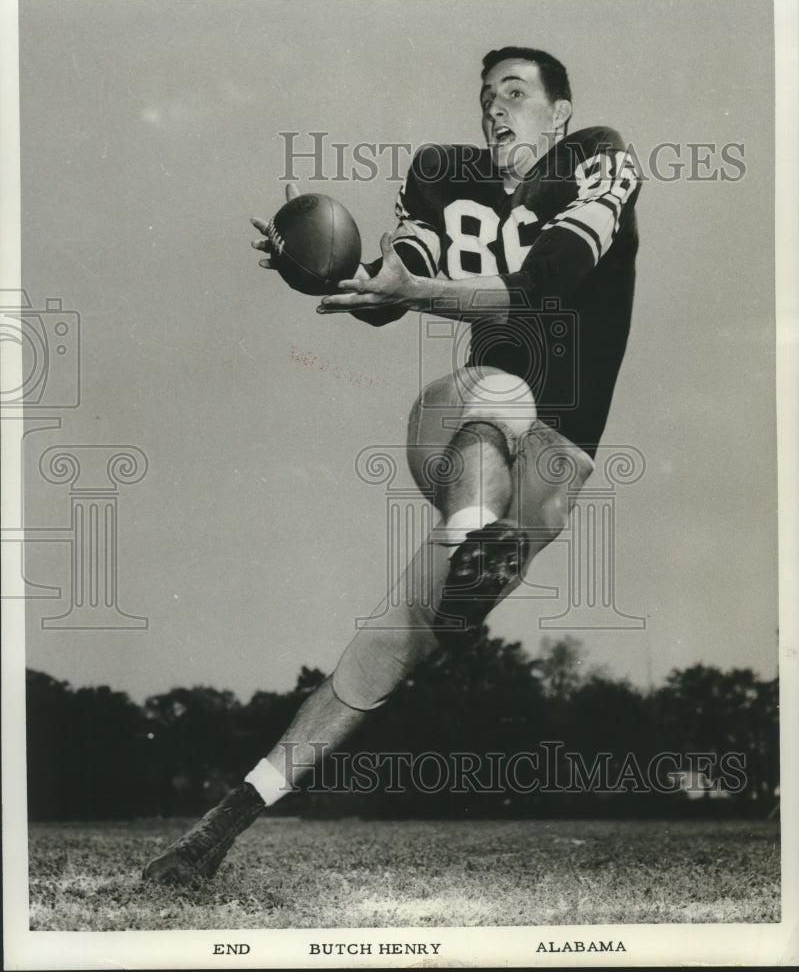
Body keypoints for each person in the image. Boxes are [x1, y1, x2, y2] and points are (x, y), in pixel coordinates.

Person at [143, 46, 640, 885]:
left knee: (384, 652)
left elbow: (547, 284)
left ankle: (213, 836)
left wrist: (410, 294)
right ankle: (475, 530)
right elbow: (396, 281)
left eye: (514, 94)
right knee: (498, 394)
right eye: (485, 96)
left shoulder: (597, 156)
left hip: (556, 469)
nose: (493, 108)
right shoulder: (443, 177)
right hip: (461, 424)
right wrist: (334, 270)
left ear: (558, 112)